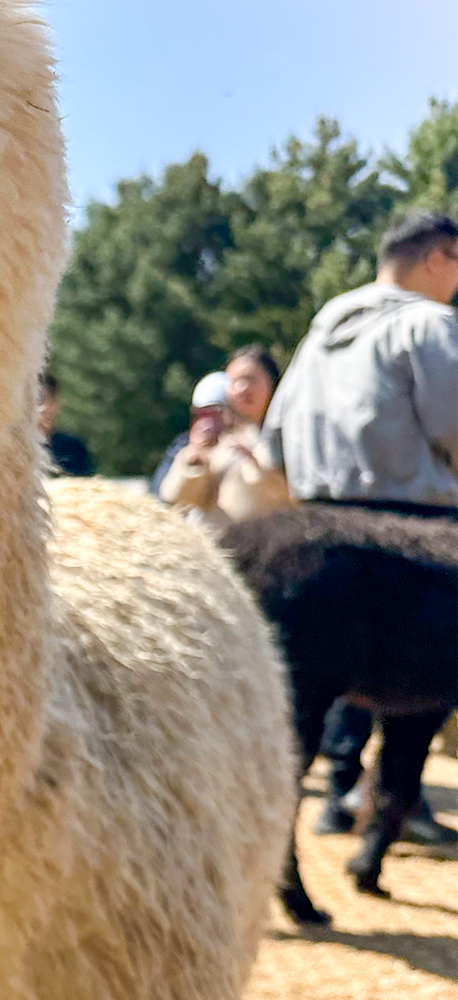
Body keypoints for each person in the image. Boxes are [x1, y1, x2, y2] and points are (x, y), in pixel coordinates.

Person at [264, 210, 458, 846]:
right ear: (441, 257)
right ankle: (394, 808)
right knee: (419, 684)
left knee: (328, 678)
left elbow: (276, 442)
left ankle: (339, 796)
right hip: (414, 538)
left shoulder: (323, 328)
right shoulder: (428, 324)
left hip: (316, 533)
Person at [157, 361, 292, 531]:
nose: (207, 422)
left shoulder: (268, 439)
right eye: (201, 415)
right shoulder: (201, 448)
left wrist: (252, 461)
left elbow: (283, 497)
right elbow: (174, 499)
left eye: (215, 413)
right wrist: (196, 461)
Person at [37, 373, 92, 476]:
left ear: (55, 404)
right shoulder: (12, 447)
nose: (35, 409)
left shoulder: (73, 448)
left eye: (40, 400)